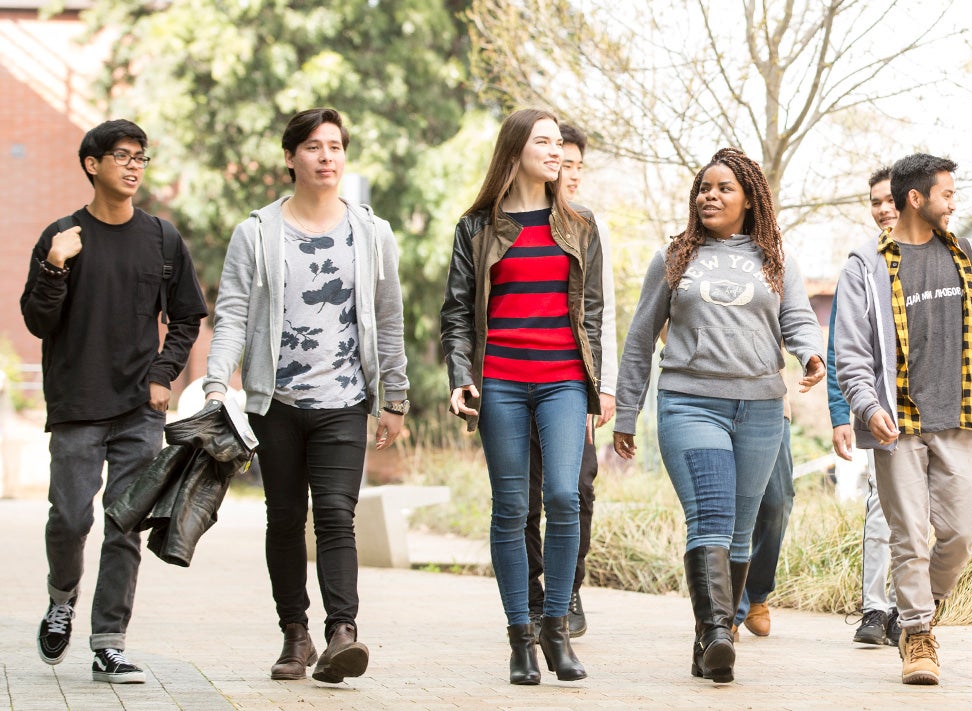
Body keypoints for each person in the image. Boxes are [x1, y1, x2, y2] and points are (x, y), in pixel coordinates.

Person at [204, 107, 410, 684]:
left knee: (336, 516)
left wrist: (393, 395)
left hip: (345, 399)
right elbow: (234, 316)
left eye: (336, 147)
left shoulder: (372, 233)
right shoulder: (257, 232)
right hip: (276, 403)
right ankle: (295, 634)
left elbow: (389, 319)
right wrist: (219, 381)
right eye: (314, 147)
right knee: (285, 517)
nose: (327, 157)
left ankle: (342, 632)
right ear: (290, 157)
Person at [613, 147, 825, 684]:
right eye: (704, 188)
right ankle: (717, 632)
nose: (710, 195)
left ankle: (709, 640)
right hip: (690, 400)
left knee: (741, 527)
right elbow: (640, 338)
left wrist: (810, 351)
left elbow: (797, 316)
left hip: (759, 406)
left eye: (723, 187)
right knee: (710, 514)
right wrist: (626, 411)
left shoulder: (775, 259)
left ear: (749, 199)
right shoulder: (674, 257)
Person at [22, 119, 207, 683]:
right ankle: (61, 599)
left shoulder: (161, 238)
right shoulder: (62, 236)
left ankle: (109, 642)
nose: (133, 166)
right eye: (122, 156)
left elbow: (188, 316)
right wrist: (55, 267)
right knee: (70, 520)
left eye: (141, 157)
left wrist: (163, 375)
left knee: (124, 525)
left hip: (137, 410)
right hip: (77, 403)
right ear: (92, 164)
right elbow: (37, 320)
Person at [833, 153, 972, 686]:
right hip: (898, 426)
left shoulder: (965, 255)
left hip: (958, 416)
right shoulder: (865, 264)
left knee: (959, 533)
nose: (953, 203)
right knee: (909, 535)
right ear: (917, 198)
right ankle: (916, 633)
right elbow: (852, 350)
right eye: (947, 194)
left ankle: (923, 607)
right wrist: (868, 407)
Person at [441, 108, 603, 685]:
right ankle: (520, 638)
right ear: (515, 149)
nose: (557, 151)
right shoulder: (476, 227)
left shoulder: (580, 225)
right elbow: (457, 313)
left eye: (560, 142)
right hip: (501, 383)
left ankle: (557, 628)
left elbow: (592, 313)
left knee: (563, 496)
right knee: (511, 509)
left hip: (562, 378)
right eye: (544, 141)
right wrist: (461, 373)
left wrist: (592, 389)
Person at [524, 122, 616, 640]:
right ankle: (535, 593)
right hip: (517, 381)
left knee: (576, 487)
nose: (570, 172)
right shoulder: (504, 221)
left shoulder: (588, 225)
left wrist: (604, 387)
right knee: (526, 493)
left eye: (578, 163)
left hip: (574, 380)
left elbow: (604, 315)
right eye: (564, 161)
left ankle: (568, 588)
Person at [831, 166, 901, 647]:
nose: (882, 209)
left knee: (925, 518)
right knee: (881, 508)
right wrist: (842, 412)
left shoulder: (944, 255)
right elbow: (843, 343)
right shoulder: (860, 263)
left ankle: (908, 608)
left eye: (890, 199)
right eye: (874, 201)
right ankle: (875, 610)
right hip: (877, 410)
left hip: (933, 412)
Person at [732, 401, 793, 638]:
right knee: (729, 503)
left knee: (778, 502)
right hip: (717, 398)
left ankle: (756, 592)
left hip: (771, 402)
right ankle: (732, 603)